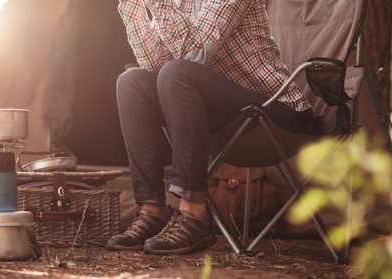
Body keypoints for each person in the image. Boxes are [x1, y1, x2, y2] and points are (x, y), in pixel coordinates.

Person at [107, 0, 313, 254]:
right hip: (227, 116)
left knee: (177, 72)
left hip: (274, 111)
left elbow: (195, 53)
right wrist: (132, 5)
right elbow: (154, 65)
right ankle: (152, 211)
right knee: (133, 81)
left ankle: (194, 214)